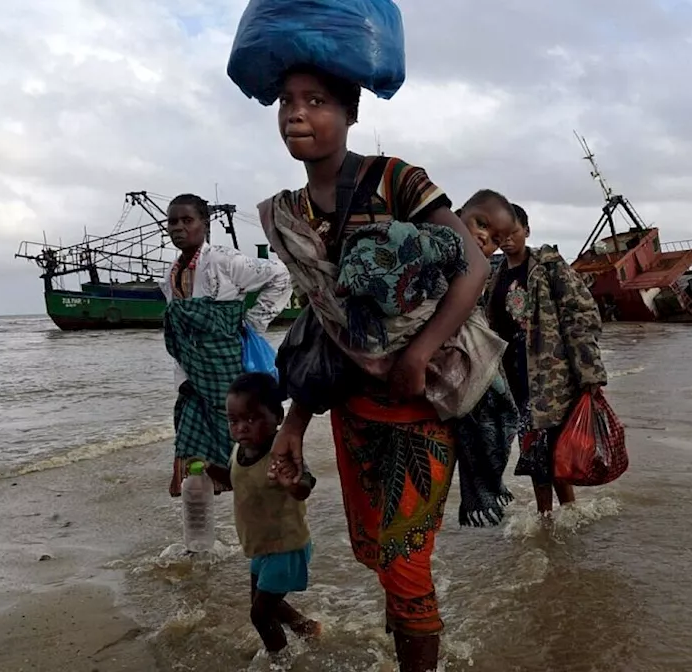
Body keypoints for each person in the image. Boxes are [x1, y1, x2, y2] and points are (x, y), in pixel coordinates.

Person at [256, 64, 499, 672]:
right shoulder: (290, 212)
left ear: (351, 114)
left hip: (423, 403)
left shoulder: (396, 180)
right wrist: (293, 424)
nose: (297, 112)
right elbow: (323, 325)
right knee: (381, 557)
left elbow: (473, 265)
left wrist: (418, 352)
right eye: (287, 101)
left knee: (405, 561)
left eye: (316, 100)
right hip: (354, 413)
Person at [465, 191, 607, 514]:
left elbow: (581, 315)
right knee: (532, 452)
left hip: (551, 380)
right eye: (502, 236)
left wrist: (590, 373)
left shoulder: (547, 267)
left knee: (557, 450)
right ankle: (545, 518)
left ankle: (570, 514)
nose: (508, 240)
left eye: (514, 232)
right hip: (516, 379)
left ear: (527, 230)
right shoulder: (495, 274)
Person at [161, 194, 293, 497]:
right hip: (192, 373)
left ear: (204, 225)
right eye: (172, 222)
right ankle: (205, 519)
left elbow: (280, 275)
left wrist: (254, 323)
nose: (178, 227)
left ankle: (260, 493)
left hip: (224, 366)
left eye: (187, 220)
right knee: (191, 438)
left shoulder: (223, 260)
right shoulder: (171, 272)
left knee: (237, 431)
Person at [225, 372, 320, 665]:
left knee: (260, 613)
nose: (241, 428)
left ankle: (281, 661)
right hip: (262, 546)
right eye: (234, 420)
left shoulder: (280, 456)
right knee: (266, 604)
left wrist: (291, 484)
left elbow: (306, 482)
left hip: (285, 547)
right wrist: (209, 472)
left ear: (278, 416)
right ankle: (307, 627)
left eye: (251, 419)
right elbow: (238, 481)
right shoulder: (239, 450)